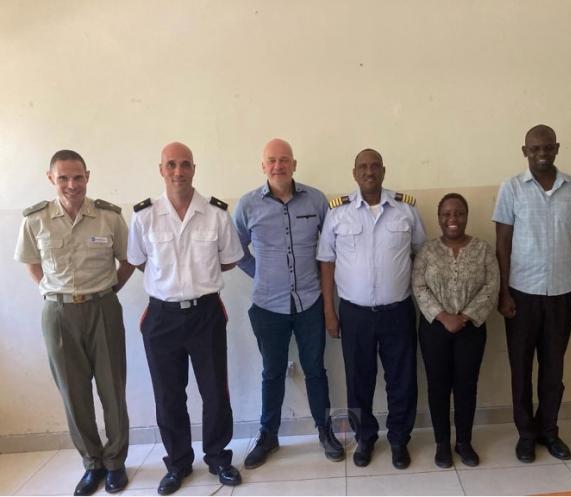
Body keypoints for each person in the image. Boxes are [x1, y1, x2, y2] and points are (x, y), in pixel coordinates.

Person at [127, 142, 244, 495]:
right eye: (171, 165)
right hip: (161, 317)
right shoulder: (144, 216)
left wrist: (197, 281)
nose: (178, 171)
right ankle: (177, 463)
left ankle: (218, 458)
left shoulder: (216, 213)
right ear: (161, 169)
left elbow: (229, 259)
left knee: (215, 391)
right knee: (168, 396)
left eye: (185, 165)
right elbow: (137, 260)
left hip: (205, 313)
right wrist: (170, 285)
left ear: (194, 168)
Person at [14, 150, 133, 496]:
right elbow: (31, 263)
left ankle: (115, 463)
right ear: (51, 178)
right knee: (73, 392)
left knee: (112, 390)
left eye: (78, 177)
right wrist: (53, 293)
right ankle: (92, 464)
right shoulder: (35, 220)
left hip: (103, 308)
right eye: (63, 177)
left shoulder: (108, 217)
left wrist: (109, 292)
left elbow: (128, 260)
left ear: (88, 177)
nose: (71, 184)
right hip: (58, 313)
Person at [233, 138, 344, 469]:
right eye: (272, 160)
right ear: (262, 166)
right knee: (272, 373)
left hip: (311, 301)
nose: (278, 166)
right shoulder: (247, 205)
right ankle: (268, 436)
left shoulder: (316, 200)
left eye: (284, 160)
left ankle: (324, 431)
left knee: (315, 370)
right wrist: (262, 275)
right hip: (267, 306)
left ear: (294, 164)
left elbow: (330, 246)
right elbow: (235, 249)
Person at [317, 148, 426, 470]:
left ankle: (398, 440)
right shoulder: (339, 212)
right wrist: (329, 311)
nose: (369, 172)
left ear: (383, 170)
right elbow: (326, 262)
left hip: (398, 311)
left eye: (374, 166)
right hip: (355, 313)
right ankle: (365, 438)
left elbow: (421, 255)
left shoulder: (405, 210)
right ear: (354, 173)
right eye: (363, 167)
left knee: (402, 380)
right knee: (358, 380)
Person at [493, 125, 571, 463]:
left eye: (547, 147)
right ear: (525, 152)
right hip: (521, 294)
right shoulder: (511, 188)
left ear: (557, 148)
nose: (542, 153)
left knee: (554, 369)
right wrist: (503, 293)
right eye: (535, 149)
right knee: (520, 369)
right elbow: (502, 243)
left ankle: (549, 430)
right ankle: (526, 434)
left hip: (561, 293)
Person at [412, 193, 499, 468]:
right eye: (446, 214)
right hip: (434, 329)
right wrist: (443, 316)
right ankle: (442, 444)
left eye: (458, 213)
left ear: (466, 216)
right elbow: (418, 285)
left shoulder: (483, 249)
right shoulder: (427, 251)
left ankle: (463, 442)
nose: (453, 219)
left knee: (466, 387)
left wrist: (464, 317)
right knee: (438, 387)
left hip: (471, 328)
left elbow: (491, 286)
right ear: (439, 218)